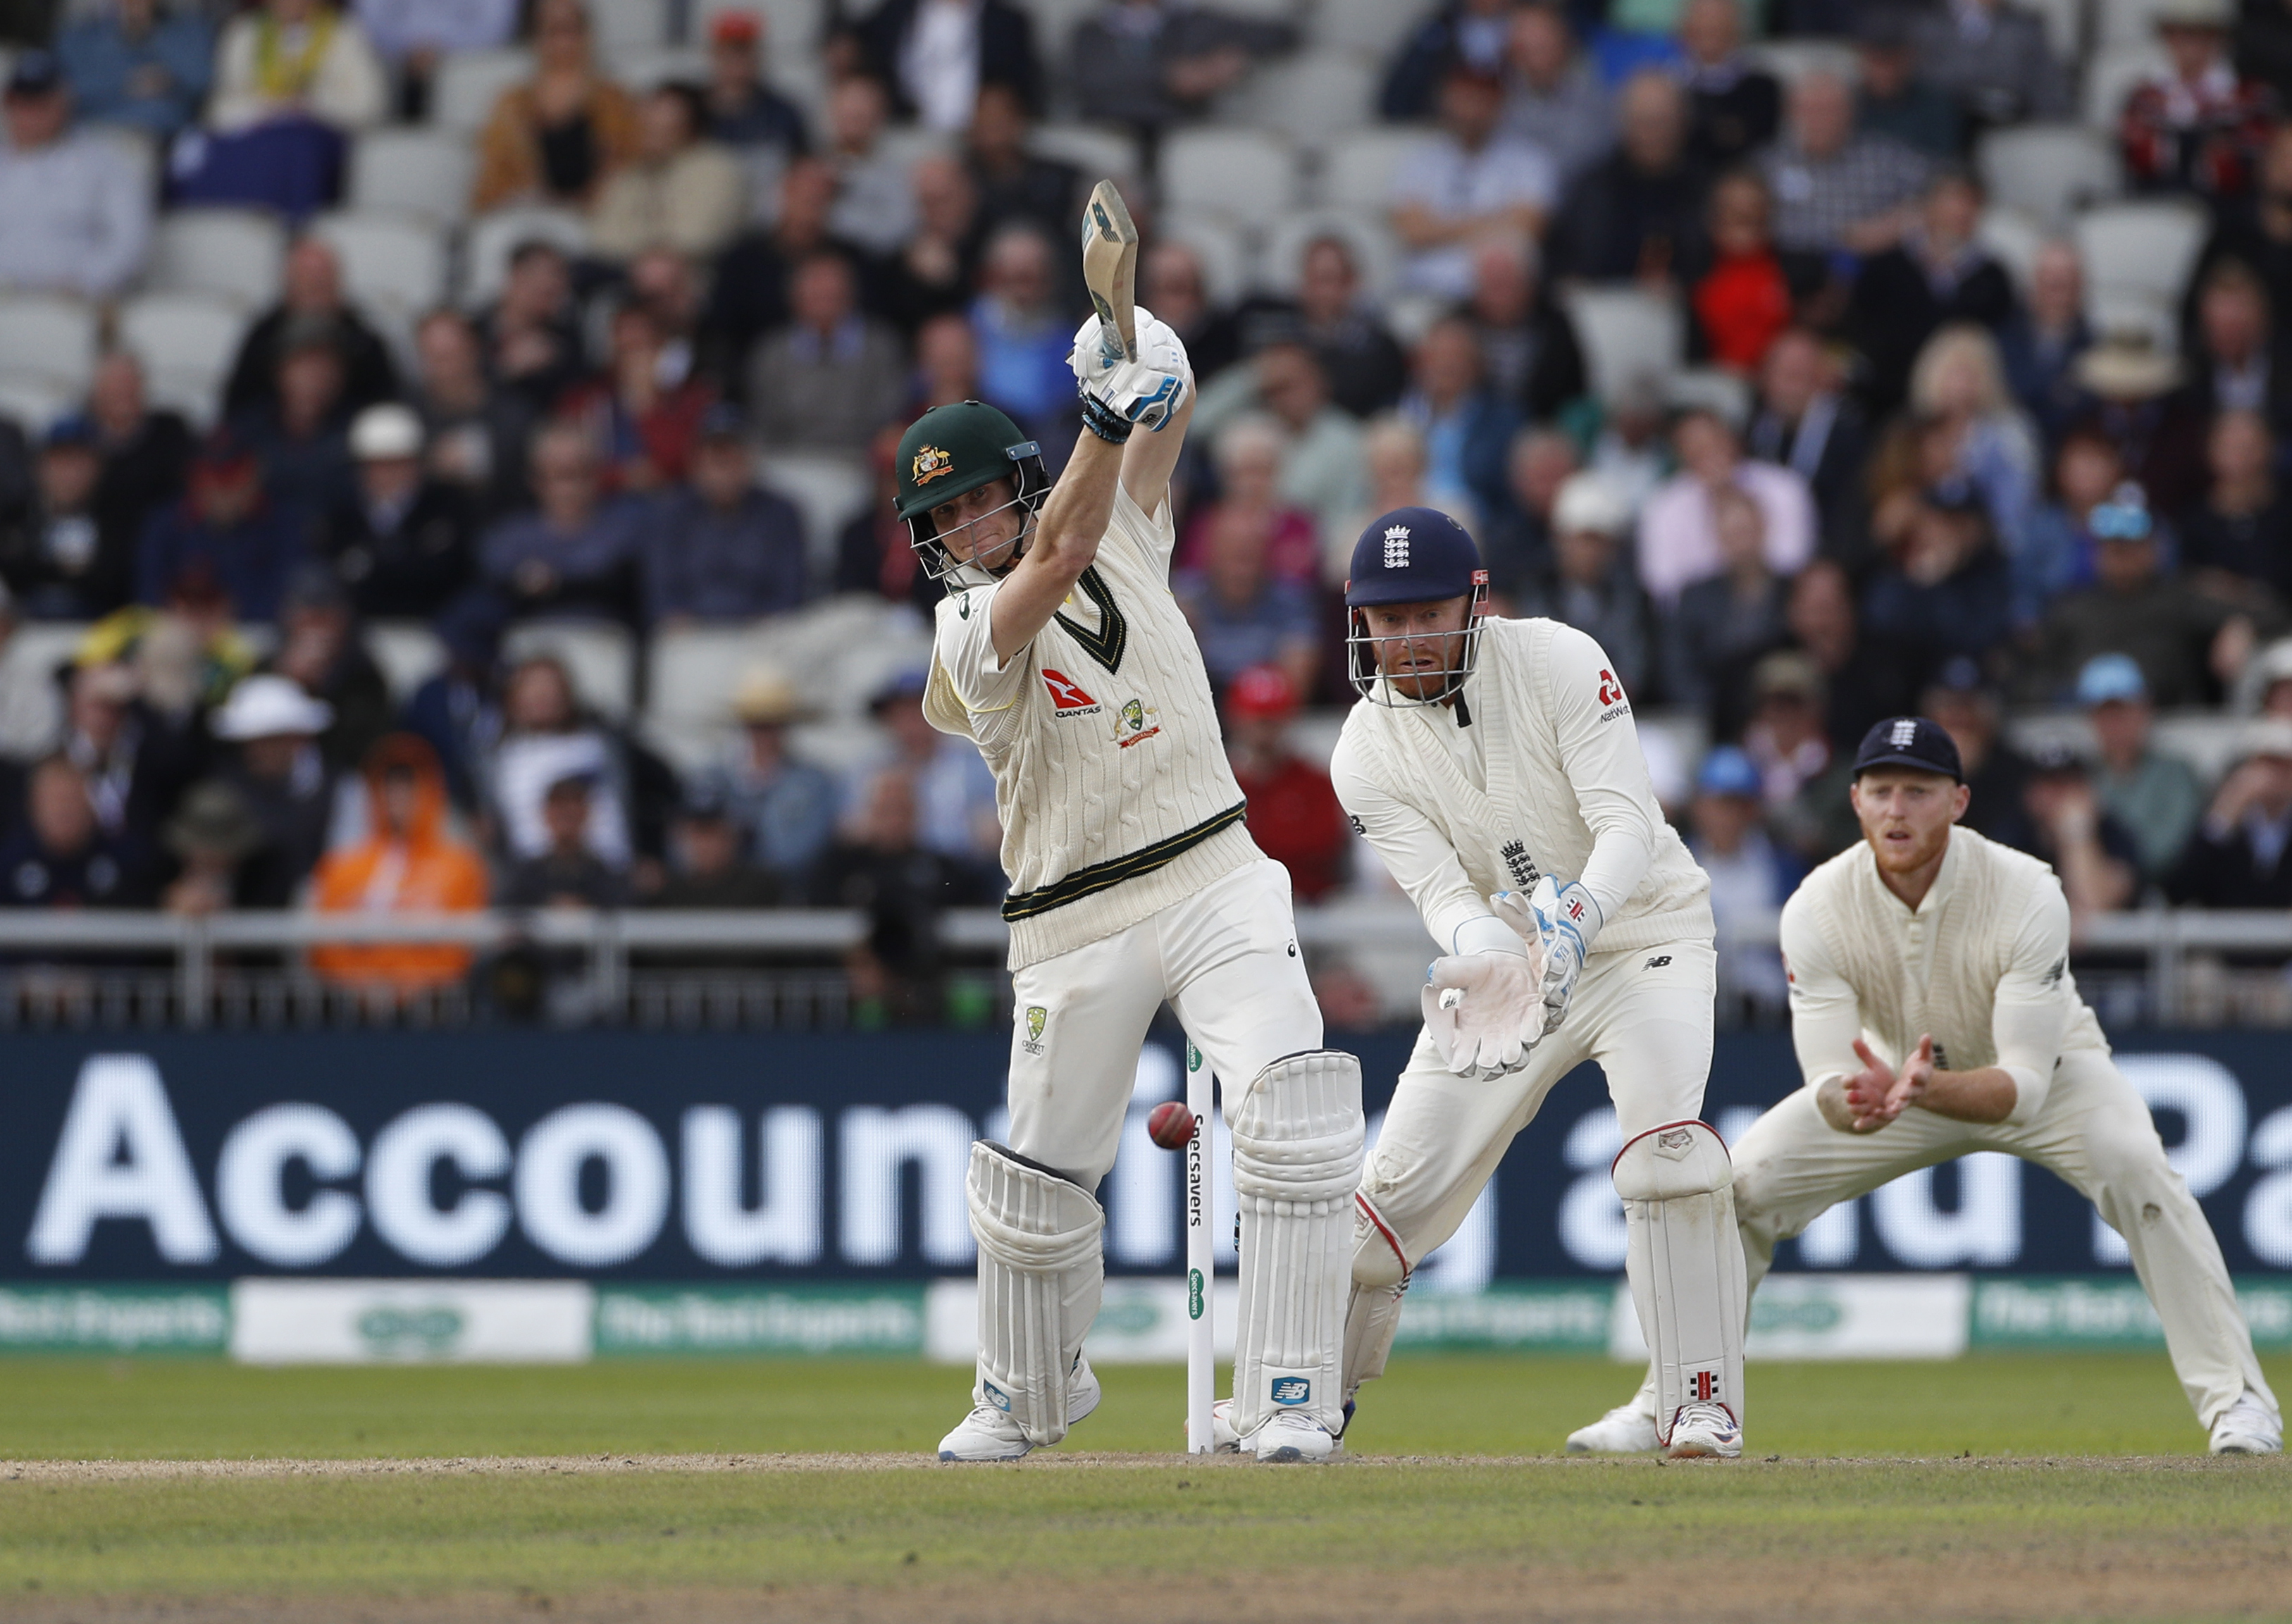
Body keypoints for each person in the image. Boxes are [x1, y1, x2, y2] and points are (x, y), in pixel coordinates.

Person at [1575, 716, 2284, 1458]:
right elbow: (1826, 1076)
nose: (1896, 809)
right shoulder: (1815, 907)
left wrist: (1924, 1089)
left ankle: (2237, 1404)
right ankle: (1675, 1404)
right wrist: (1855, 1097)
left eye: (1919, 791)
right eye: (1881, 791)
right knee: (1738, 1188)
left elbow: (2024, 1087)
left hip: (2048, 1075)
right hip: (1887, 1078)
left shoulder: (2027, 891)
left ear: (1959, 801)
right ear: (1854, 801)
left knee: (2142, 1175)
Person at [903, 321, 1358, 1461]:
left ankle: (1289, 1396)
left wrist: (1141, 347)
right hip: (1071, 920)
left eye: (976, 503)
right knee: (1035, 1179)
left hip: (1212, 872)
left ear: (1016, 483)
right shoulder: (961, 631)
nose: (966, 530)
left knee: (1291, 1113)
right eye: (943, 521)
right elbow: (1049, 559)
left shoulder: (1129, 528)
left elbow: (1167, 421)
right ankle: (1022, 1395)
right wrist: (1105, 420)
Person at [1329, 504, 1740, 1458]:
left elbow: (1627, 824)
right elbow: (1440, 890)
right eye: (1385, 621)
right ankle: (1311, 1399)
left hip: (1646, 939)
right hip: (1515, 964)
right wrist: (1491, 954)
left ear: (1475, 603)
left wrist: (1578, 922)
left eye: (1425, 613)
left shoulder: (1556, 658)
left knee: (1665, 1158)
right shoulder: (1362, 750)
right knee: (1384, 1200)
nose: (1406, 639)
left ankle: (1699, 1402)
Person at [2031, 483, 2241, 709]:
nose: (2122, 557)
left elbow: (2273, 614)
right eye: (2113, 547)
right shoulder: (2072, 608)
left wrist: (2240, 625)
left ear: (2155, 549)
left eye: (2131, 547)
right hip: (2082, 731)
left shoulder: (2180, 601)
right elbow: (2035, 675)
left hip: (2171, 731)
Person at [309, 733, 488, 990]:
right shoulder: (342, 866)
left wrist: (420, 982)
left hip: (436, 1010)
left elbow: (467, 941)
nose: (398, 796)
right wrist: (355, 982)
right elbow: (323, 939)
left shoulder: (460, 866)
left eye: (409, 785)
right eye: (389, 785)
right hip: (353, 1009)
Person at [1846, 171, 2018, 419]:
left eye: (1972, 202)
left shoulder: (1994, 278)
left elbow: (1995, 347)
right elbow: (1862, 335)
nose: (1961, 211)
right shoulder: (1886, 267)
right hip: (1886, 405)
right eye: (1953, 199)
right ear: (1928, 205)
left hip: (1961, 411)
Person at [1389, 66, 1559, 300]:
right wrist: (1495, 223)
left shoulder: (1529, 159)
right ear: (1446, 100)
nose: (1470, 109)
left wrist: (1439, 226)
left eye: (1480, 98)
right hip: (1429, 290)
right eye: (1462, 97)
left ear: (1499, 103)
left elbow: (1528, 226)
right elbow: (1413, 231)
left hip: (1500, 295)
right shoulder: (1421, 159)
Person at [0, 51, 151, 301]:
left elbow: (130, 241)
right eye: (17, 102)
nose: (25, 113)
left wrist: (85, 283)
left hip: (68, 305)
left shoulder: (103, 161)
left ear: (62, 103)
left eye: (38, 104)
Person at [1635, 405, 1816, 612]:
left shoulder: (1785, 488)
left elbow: (1794, 561)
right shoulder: (1663, 507)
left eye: (1715, 443)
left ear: (1734, 440)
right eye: (1697, 449)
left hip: (1779, 610)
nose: (1710, 456)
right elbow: (1664, 587)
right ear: (1680, 455)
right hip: (1701, 622)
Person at [643, 404, 809, 626]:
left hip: (762, 634)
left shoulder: (781, 514)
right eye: (717, 460)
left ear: (751, 461)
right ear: (696, 463)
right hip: (692, 636)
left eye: (734, 459)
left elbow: (789, 594)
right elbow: (662, 594)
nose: (724, 473)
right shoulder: (672, 513)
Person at [470, 0, 639, 213]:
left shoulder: (615, 101)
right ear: (536, 36)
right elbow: (493, 180)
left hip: (602, 215)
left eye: (571, 30)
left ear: (587, 34)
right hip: (531, 217)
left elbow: (631, 167)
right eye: (552, 31)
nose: (562, 42)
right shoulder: (510, 105)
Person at [1547, 68, 1708, 285]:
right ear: (1624, 125)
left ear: (1683, 123)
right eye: (1643, 122)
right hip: (1601, 305)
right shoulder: (1592, 188)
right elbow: (1563, 260)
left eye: (1662, 121)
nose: (1653, 133)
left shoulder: (1709, 189)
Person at [477, 422, 645, 624]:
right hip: (527, 639)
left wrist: (551, 583)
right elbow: (494, 580)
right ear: (534, 479)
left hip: (603, 638)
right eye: (558, 475)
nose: (569, 489)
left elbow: (621, 584)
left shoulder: (627, 528)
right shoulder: (509, 536)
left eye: (581, 473)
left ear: (599, 474)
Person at [1172, 477, 1321, 702]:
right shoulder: (1184, 597)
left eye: (1249, 558)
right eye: (1233, 557)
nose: (1241, 571)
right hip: (1200, 705)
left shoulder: (1292, 599)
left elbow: (1299, 673)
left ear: (1267, 556)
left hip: (1266, 710)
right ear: (1211, 556)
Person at [1753, 70, 1931, 257]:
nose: (1821, 120)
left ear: (1850, 112)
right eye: (1810, 110)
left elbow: (1945, 190)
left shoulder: (1885, 157)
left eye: (1831, 110)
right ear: (1790, 113)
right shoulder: (1768, 164)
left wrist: (1898, 224)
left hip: (1868, 267)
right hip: (1792, 267)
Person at [223, 236, 399, 423]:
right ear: (288, 282)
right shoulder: (262, 338)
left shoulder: (365, 342)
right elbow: (237, 409)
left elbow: (386, 412)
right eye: (307, 280)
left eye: (322, 280)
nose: (315, 288)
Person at [1511, 471, 1654, 701]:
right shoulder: (1536, 591)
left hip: (1619, 712)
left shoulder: (1631, 597)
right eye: (1581, 540)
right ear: (1560, 540)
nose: (1589, 552)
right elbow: (1534, 665)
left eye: (1598, 542)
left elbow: (1635, 667)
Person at [135, 432, 304, 625]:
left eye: (233, 479)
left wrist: (228, 618)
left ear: (254, 476)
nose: (223, 491)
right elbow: (148, 597)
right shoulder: (167, 524)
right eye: (213, 480)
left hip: (257, 637)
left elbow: (287, 594)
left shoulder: (281, 524)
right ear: (195, 481)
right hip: (180, 635)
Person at [746, 251, 905, 454]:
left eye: (832, 294)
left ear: (850, 295)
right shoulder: (771, 352)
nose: (824, 300)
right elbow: (764, 418)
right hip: (786, 460)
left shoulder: (882, 346)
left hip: (861, 462)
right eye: (816, 294)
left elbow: (888, 414)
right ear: (795, 298)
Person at [2121, 0, 2277, 204]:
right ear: (2167, 37)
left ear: (2222, 38)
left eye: (2202, 33)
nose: (2190, 44)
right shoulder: (2143, 98)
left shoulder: (2250, 96)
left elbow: (2253, 166)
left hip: (2232, 209)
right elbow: (2140, 162)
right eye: (2179, 32)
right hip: (2157, 204)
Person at [1067, 0, 1294, 136]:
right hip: (1113, 132)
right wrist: (1168, 78)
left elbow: (1282, 36)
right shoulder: (1092, 30)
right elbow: (1089, 80)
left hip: (1179, 130)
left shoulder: (1197, 23)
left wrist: (1230, 59)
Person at [557, 304, 714, 496]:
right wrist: (622, 477)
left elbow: (685, 462)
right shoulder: (583, 400)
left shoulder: (693, 399)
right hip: (603, 511)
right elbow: (568, 469)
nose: (633, 361)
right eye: (625, 349)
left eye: (641, 347)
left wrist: (647, 403)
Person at [1687, 743, 1796, 1022]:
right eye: (1720, 803)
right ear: (1700, 806)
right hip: (1699, 1012)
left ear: (1754, 810)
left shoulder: (1782, 867)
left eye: (1738, 805)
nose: (1728, 816)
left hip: (1775, 1015)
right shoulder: (1674, 867)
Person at [209, 672, 337, 906]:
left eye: (268, 740)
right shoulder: (227, 786)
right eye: (248, 742)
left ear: (297, 737)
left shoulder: (339, 788)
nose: (255, 752)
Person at [1223, 663, 1346, 904]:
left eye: (1272, 720)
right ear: (1236, 718)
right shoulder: (1217, 782)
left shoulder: (1313, 781)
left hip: (1308, 906)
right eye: (1256, 719)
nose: (1263, 731)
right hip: (1233, 905)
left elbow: (1325, 847)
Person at [587, 83, 745, 265]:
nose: (649, 124)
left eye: (661, 123)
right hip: (623, 274)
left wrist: (640, 244)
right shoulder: (632, 171)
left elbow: (695, 239)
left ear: (691, 126)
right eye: (646, 120)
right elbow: (601, 238)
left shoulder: (719, 170)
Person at [1667, 485, 1789, 721]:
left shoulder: (1793, 590)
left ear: (1763, 528)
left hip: (1783, 713)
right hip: (1712, 718)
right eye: (1732, 534)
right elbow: (1679, 667)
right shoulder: (1695, 596)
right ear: (1718, 538)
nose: (1741, 543)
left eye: (1746, 531)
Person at [1745, 328, 1869, 562]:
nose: (1792, 387)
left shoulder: (1848, 436)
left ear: (1822, 378)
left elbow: (1851, 521)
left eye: (1801, 375)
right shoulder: (1753, 433)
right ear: (1765, 379)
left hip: (1824, 558)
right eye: (1785, 374)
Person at [2079, 653, 2203, 884]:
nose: (2115, 724)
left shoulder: (2176, 774)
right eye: (2105, 713)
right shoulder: (2080, 776)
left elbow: (2166, 851)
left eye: (2123, 711)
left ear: (2145, 709)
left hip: (2164, 902)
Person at [0, 419, 140, 623]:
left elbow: (114, 582)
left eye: (80, 462)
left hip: (96, 634)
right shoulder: (16, 518)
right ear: (40, 466)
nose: (70, 474)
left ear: (98, 468)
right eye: (61, 461)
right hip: (22, 632)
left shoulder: (118, 521)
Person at [707, 667, 836, 883]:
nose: (764, 734)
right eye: (756, 724)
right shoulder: (714, 779)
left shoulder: (813, 783)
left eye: (773, 724)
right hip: (725, 893)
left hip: (787, 893)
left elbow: (807, 851)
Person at [205, 0, 386, 135]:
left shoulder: (345, 33)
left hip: (321, 143)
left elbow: (369, 106)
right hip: (256, 143)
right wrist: (271, 106)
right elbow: (220, 112)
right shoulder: (244, 34)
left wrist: (310, 104)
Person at [1175, 414, 1317, 583]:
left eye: (1263, 471)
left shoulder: (1299, 526)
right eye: (1245, 472)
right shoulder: (1206, 525)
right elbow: (1189, 581)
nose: (1254, 482)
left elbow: (1306, 582)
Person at [0, 754, 154, 910]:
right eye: (56, 800)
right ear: (34, 806)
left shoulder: (124, 861)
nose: (65, 810)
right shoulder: (7, 865)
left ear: (91, 805)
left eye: (72, 799)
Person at [859, 0, 1041, 130]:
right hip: (906, 131)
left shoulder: (1007, 22)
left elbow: (1020, 85)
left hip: (978, 139)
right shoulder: (896, 11)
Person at [2169, 718, 2292, 908]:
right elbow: (2180, 890)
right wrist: (2223, 817)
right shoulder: (2224, 824)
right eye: (2267, 763)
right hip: (2225, 936)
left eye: (2285, 765)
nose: (2275, 775)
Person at [1464, 237, 1587, 424]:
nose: (1498, 296)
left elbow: (1574, 392)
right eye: (1490, 285)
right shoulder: (1458, 327)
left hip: (1541, 426)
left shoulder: (1555, 328)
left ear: (1529, 285)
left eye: (1505, 285)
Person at [702, 6, 808, 221]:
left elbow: (803, 170)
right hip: (710, 228)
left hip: (767, 227)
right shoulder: (695, 111)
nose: (736, 60)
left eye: (744, 50)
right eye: (729, 50)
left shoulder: (784, 112)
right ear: (714, 54)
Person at [56, 0, 214, 141]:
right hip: (97, 131)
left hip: (169, 133)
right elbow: (70, 90)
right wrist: (127, 84)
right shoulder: (80, 36)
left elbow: (202, 79)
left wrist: (149, 32)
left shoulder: (190, 29)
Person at [1691, 169, 1796, 376]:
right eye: (1734, 211)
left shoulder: (1790, 269)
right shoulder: (1697, 274)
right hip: (1722, 380)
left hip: (1781, 379)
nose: (1746, 216)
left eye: (1754, 209)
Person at [2180, 409, 2292, 603]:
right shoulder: (2194, 522)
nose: (2240, 457)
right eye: (2230, 447)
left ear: (2270, 448)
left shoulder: (2285, 515)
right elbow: (2189, 587)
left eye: (2249, 447)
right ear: (2210, 452)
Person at [1908, 0, 2070, 130]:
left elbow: (2051, 96)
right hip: (1938, 131)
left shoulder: (2026, 29)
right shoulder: (1924, 22)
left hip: (2008, 131)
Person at [1497, 2, 1611, 187]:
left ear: (1563, 43)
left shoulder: (1594, 100)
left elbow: (1594, 163)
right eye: (1525, 50)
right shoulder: (1499, 102)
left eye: (1541, 47)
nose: (1533, 60)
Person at [1997, 239, 2095, 447]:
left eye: (2065, 283)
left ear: (2080, 286)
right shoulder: (1999, 342)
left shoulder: (2096, 351)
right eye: (2050, 282)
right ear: (2033, 284)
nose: (2057, 293)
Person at [354, 0, 514, 120]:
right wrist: (411, 48)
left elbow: (496, 29)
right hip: (394, 66)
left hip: (465, 65)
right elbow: (366, 24)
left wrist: (440, 50)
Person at [500, 769, 628, 907]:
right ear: (546, 814)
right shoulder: (525, 877)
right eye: (559, 806)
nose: (567, 812)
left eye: (574, 804)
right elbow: (504, 916)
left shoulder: (606, 876)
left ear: (586, 813)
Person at [1675, 0, 1779, 169]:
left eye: (1718, 26)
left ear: (1737, 30)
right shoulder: (1668, 88)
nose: (1710, 31)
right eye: (1703, 24)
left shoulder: (1763, 88)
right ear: (1686, 31)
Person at [821, 75, 914, 256]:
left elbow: (898, 231)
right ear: (833, 111)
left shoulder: (897, 173)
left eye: (862, 112)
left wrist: (832, 219)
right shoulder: (811, 166)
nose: (855, 114)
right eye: (848, 109)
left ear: (880, 116)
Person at [1852, 6, 1959, 159]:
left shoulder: (1937, 104)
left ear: (1909, 57)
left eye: (1892, 60)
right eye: (1877, 61)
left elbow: (1945, 163)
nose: (1885, 71)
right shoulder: (1850, 104)